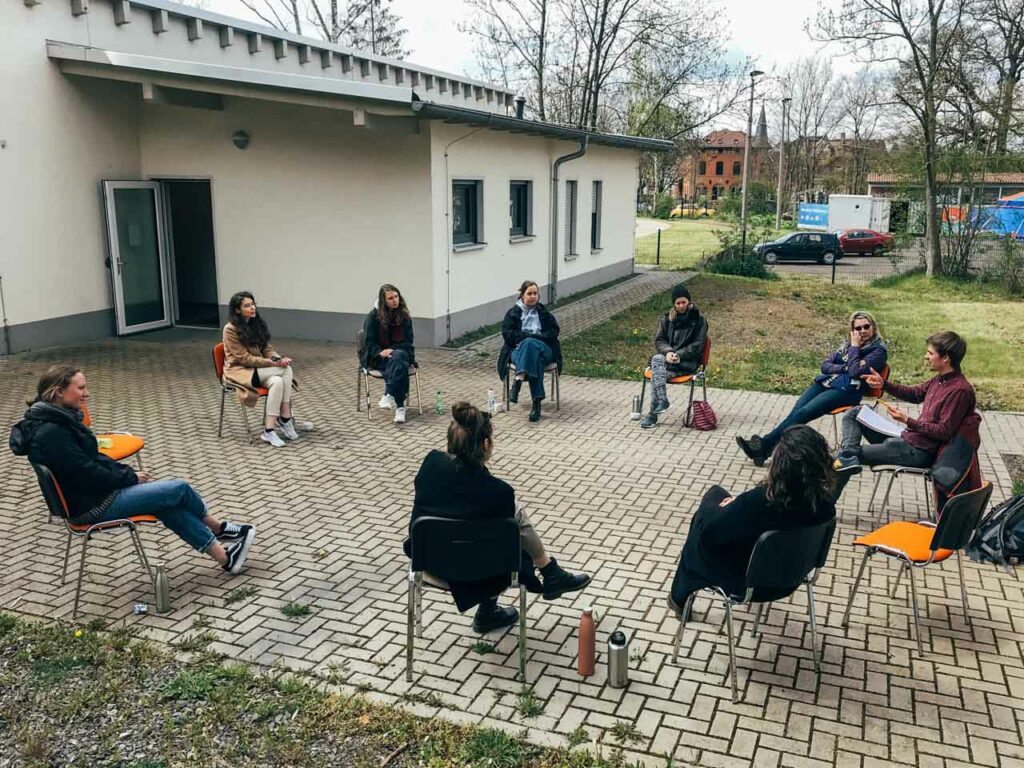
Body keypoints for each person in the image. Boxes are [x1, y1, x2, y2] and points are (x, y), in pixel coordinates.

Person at [10, 366, 255, 574]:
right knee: (178, 488)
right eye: (81, 388)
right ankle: (221, 529)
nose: (87, 394)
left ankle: (225, 558)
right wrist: (129, 477)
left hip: (93, 497)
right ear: (58, 392)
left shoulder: (57, 421)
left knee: (164, 502)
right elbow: (88, 473)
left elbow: (92, 461)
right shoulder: (51, 433)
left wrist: (127, 474)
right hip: (92, 506)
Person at [407, 402, 591, 632]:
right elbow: (506, 546)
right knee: (512, 526)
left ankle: (495, 607)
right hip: (479, 571)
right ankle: (549, 571)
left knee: (497, 531)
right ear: (486, 444)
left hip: (429, 562)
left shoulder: (430, 464)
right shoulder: (498, 492)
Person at [668, 425, 836, 616]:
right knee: (719, 498)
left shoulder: (761, 501)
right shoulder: (825, 505)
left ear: (781, 463)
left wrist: (728, 508)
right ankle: (680, 594)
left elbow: (710, 535)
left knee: (699, 529)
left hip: (746, 582)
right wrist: (737, 504)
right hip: (792, 577)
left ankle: (679, 596)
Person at [832, 330, 975, 500]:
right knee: (855, 413)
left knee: (838, 460)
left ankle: (825, 508)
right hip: (907, 439)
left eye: (930, 353)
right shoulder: (940, 379)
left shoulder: (959, 390)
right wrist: (883, 384)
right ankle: (849, 454)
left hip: (918, 452)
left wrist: (908, 420)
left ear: (946, 358)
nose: (925, 356)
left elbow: (944, 431)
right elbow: (915, 394)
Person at [736, 311, 887, 464]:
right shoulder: (846, 345)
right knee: (796, 413)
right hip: (827, 383)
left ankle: (764, 446)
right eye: (857, 328)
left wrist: (854, 349)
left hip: (847, 391)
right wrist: (844, 368)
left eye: (866, 327)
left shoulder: (878, 351)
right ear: (852, 330)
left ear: (873, 327)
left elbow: (855, 372)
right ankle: (765, 449)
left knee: (803, 413)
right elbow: (825, 366)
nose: (862, 331)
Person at [222, 291, 298, 448]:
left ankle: (269, 430)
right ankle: (285, 417)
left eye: (253, 304)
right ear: (237, 310)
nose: (252, 308)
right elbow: (244, 359)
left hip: (258, 369)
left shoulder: (256, 324)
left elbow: (267, 349)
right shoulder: (230, 329)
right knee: (285, 370)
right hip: (241, 371)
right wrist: (274, 363)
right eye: (247, 305)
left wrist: (278, 359)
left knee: (278, 380)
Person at [640, 283, 708, 429]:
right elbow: (659, 340)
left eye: (684, 302)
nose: (681, 305)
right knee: (657, 360)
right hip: (668, 362)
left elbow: (698, 345)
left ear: (689, 301)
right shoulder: (667, 319)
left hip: (686, 364)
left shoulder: (699, 320)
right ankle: (663, 401)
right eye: (678, 303)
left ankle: (653, 414)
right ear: (674, 304)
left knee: (656, 373)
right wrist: (668, 352)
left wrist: (678, 355)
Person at [498, 280, 563, 423]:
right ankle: (536, 404)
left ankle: (518, 380)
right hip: (519, 351)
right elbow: (508, 335)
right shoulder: (513, 313)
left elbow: (554, 331)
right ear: (522, 295)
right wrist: (529, 339)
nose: (533, 296)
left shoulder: (543, 312)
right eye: (529, 293)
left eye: (535, 293)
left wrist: (534, 338)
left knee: (531, 345)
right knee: (533, 355)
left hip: (545, 349)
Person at [361, 284, 416, 425]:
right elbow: (369, 342)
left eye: (396, 296)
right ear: (383, 300)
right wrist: (381, 352)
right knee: (400, 364)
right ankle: (400, 408)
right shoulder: (373, 317)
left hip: (401, 352)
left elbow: (408, 341)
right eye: (390, 298)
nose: (395, 300)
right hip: (378, 357)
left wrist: (392, 350)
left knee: (398, 357)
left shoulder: (404, 316)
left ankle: (388, 394)